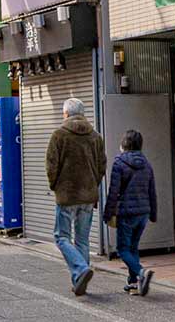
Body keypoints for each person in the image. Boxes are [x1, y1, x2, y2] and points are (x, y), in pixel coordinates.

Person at [46, 97, 106, 296]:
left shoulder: (59, 135)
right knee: (82, 239)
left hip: (67, 195)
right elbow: (101, 166)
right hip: (88, 196)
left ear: (65, 114)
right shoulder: (96, 136)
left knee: (61, 237)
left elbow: (51, 166)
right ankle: (79, 280)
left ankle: (80, 270)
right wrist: (92, 185)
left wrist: (55, 186)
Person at [104, 129, 157, 297]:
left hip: (126, 213)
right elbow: (152, 191)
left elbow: (114, 192)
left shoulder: (119, 163)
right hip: (143, 213)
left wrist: (108, 213)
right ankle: (133, 282)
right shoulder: (146, 164)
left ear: (124, 144)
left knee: (123, 249)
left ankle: (141, 272)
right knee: (133, 247)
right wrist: (153, 213)